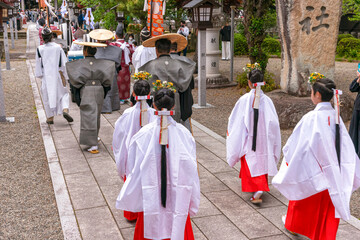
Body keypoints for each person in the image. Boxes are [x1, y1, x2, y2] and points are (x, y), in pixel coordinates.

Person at [272, 76, 360, 239]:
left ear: (317, 95)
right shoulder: (336, 117)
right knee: (327, 209)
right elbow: (347, 149)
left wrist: (290, 162)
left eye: (311, 92)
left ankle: (294, 226)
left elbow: (296, 146)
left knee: (300, 200)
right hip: (332, 174)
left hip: (313, 173)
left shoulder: (311, 118)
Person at [116, 86, 200, 240]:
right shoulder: (184, 134)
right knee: (177, 217)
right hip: (177, 196)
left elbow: (133, 169)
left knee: (151, 216)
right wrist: (193, 199)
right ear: (173, 106)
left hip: (151, 197)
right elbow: (191, 170)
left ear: (153, 104)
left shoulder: (142, 135)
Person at [226, 69, 281, 204]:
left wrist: (232, 133)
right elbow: (274, 123)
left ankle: (258, 189)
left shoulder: (244, 100)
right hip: (264, 139)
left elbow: (236, 121)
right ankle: (259, 187)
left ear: (249, 82)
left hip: (248, 138)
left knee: (251, 162)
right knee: (262, 159)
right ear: (264, 82)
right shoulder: (267, 101)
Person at [113, 78, 156, 221]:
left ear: (133, 93)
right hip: (149, 155)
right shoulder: (155, 115)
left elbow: (118, 138)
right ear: (150, 94)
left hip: (132, 154)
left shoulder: (127, 114)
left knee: (132, 177)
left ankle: (132, 213)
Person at [139, 34, 195, 131]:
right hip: (175, 99)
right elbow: (184, 85)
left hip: (157, 100)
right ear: (170, 50)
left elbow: (144, 84)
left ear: (156, 50)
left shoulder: (150, 65)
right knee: (174, 125)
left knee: (157, 126)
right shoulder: (180, 64)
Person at [66, 42, 114, 154]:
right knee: (96, 114)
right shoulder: (103, 63)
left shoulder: (79, 64)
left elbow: (74, 79)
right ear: (95, 51)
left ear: (85, 51)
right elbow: (107, 80)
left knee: (88, 115)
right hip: (99, 89)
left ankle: (93, 144)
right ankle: (94, 137)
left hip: (86, 89)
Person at [35, 27, 73, 125]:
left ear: (42, 37)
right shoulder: (58, 47)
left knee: (47, 96)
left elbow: (38, 64)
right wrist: (66, 76)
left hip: (46, 76)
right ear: (52, 36)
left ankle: (50, 117)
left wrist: (40, 75)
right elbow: (63, 63)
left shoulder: (40, 49)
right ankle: (65, 109)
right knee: (63, 93)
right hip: (58, 74)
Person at [89, 29, 122, 114]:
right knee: (112, 89)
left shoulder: (93, 49)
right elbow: (118, 64)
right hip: (111, 72)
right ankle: (113, 106)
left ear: (97, 40)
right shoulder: (117, 50)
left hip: (98, 73)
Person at [110, 24, 133, 103]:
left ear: (115, 36)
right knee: (126, 82)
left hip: (117, 67)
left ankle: (119, 98)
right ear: (123, 35)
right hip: (126, 68)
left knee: (118, 83)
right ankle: (125, 97)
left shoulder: (113, 45)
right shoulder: (128, 45)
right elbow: (132, 55)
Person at [349, 71, 360, 158]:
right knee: (355, 131)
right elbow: (352, 88)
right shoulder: (358, 80)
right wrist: (359, 79)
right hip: (358, 109)